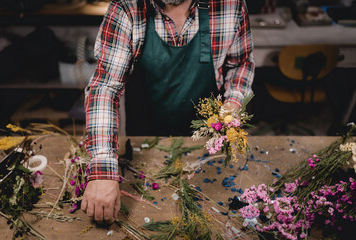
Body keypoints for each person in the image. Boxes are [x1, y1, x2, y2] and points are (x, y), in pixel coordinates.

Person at [81, 0, 254, 223]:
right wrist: (103, 169)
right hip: (146, 146)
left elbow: (240, 64)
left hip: (208, 148)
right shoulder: (127, 7)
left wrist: (232, 104)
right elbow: (105, 88)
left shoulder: (230, 5)